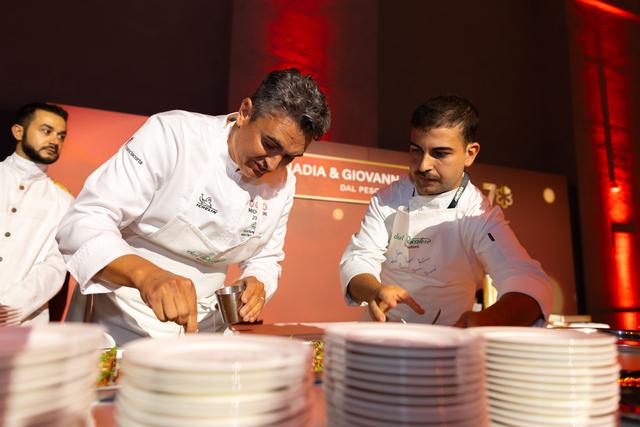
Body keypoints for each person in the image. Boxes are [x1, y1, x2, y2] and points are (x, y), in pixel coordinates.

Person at [57, 68, 330, 344]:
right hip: (122, 318)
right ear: (245, 112)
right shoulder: (174, 136)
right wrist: (146, 275)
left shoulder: (284, 182)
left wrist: (258, 281)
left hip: (208, 328)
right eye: (270, 144)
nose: (273, 164)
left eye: (289, 157)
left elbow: (266, 258)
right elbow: (84, 221)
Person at [339, 95, 552, 327]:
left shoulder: (477, 215)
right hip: (380, 337)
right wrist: (374, 291)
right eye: (416, 150)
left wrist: (486, 320)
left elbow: (528, 281)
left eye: (439, 154)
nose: (423, 165)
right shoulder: (388, 198)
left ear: (470, 153)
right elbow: (358, 259)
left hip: (446, 342)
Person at [0, 102, 73, 325]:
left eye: (61, 136)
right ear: (18, 131)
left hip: (21, 324)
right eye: (46, 131)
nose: (54, 141)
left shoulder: (64, 201)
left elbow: (55, 267)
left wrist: (8, 307)